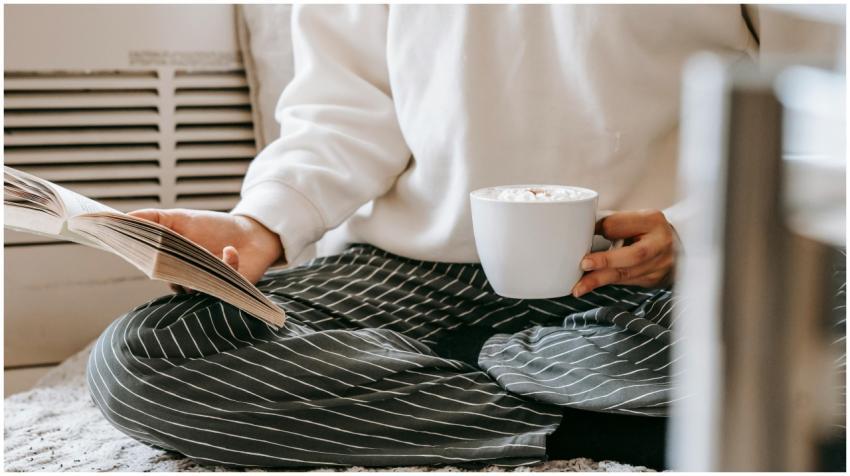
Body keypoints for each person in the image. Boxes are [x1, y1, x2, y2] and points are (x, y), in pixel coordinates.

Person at [84, 4, 827, 470]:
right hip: (417, 270)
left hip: (658, 273)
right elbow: (344, 109)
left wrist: (690, 233)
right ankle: (613, 423)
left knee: (827, 312)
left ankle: (455, 373)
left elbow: (820, 90)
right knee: (145, 358)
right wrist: (261, 222)